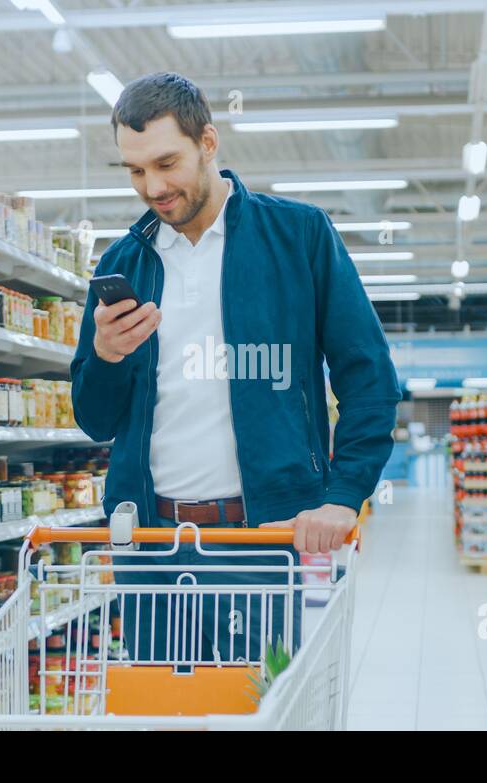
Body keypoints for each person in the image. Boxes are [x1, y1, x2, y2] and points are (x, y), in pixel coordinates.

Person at [71, 72, 400, 663]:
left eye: (167, 163)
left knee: (262, 709)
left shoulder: (297, 236)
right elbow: (95, 419)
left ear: (208, 142)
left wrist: (343, 496)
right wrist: (106, 356)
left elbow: (369, 378)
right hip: (150, 545)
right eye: (136, 170)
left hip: (265, 538)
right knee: (165, 715)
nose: (153, 186)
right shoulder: (124, 260)